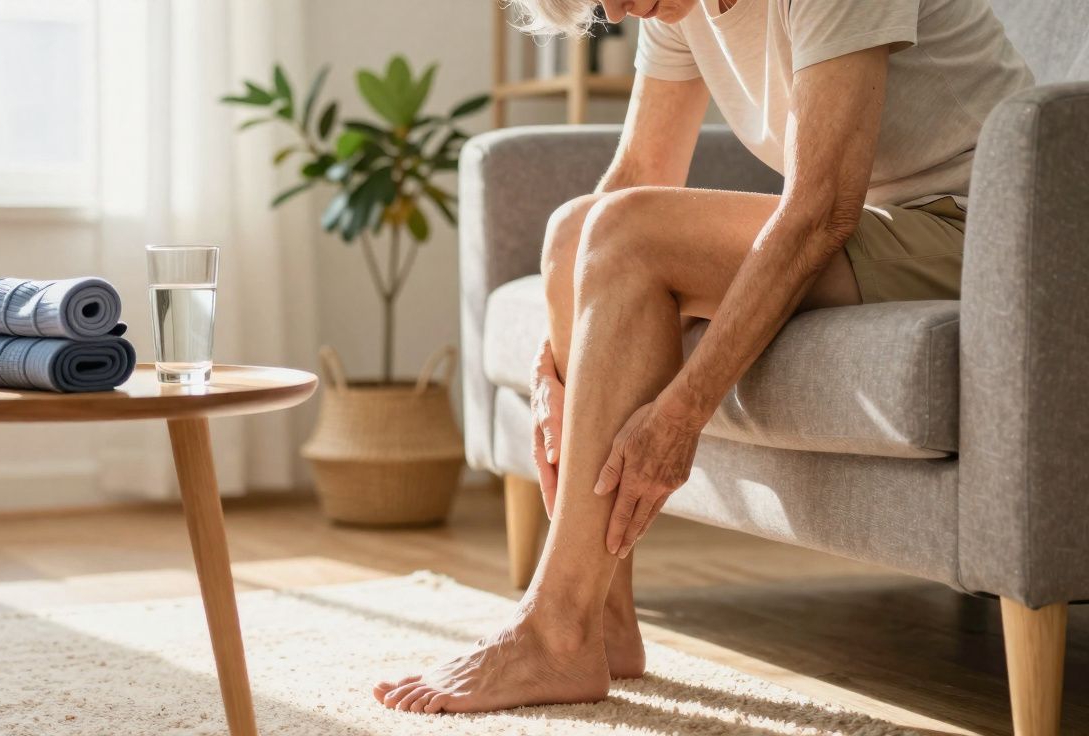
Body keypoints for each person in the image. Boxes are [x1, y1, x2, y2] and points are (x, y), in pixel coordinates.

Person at [374, 0, 1033, 714]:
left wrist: (685, 408)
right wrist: (551, 361)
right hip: (882, 224)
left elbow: (820, 211)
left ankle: (555, 626)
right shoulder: (676, 7)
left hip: (988, 231)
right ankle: (599, 621)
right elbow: (638, 171)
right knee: (573, 232)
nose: (620, 10)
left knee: (628, 238)